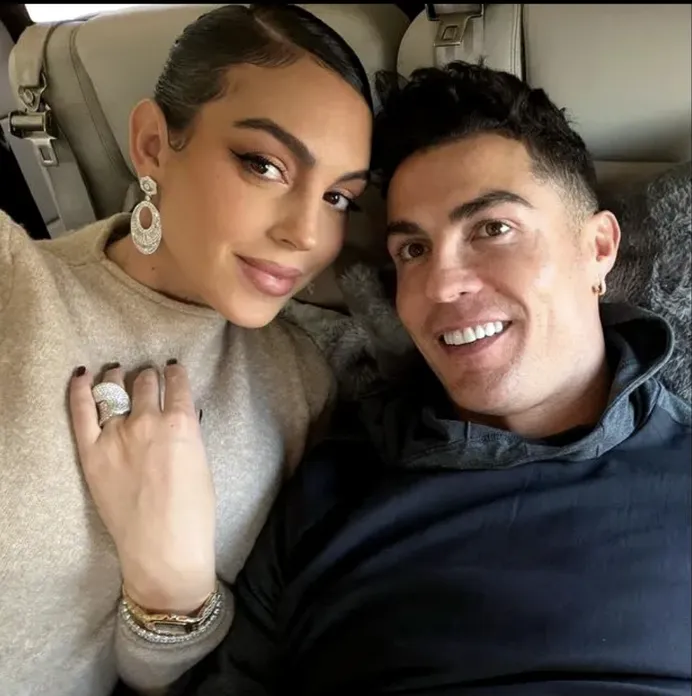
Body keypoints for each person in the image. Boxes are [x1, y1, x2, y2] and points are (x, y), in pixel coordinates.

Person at [72, 60, 691, 695]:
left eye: (493, 229)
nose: (441, 285)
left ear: (598, 248)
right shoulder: (331, 487)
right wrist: (168, 589)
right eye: (412, 251)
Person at [0, 4, 373, 696]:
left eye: (338, 198)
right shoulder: (12, 281)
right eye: (264, 165)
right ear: (151, 145)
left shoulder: (302, 384)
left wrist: (169, 589)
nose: (305, 234)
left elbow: (168, 679)